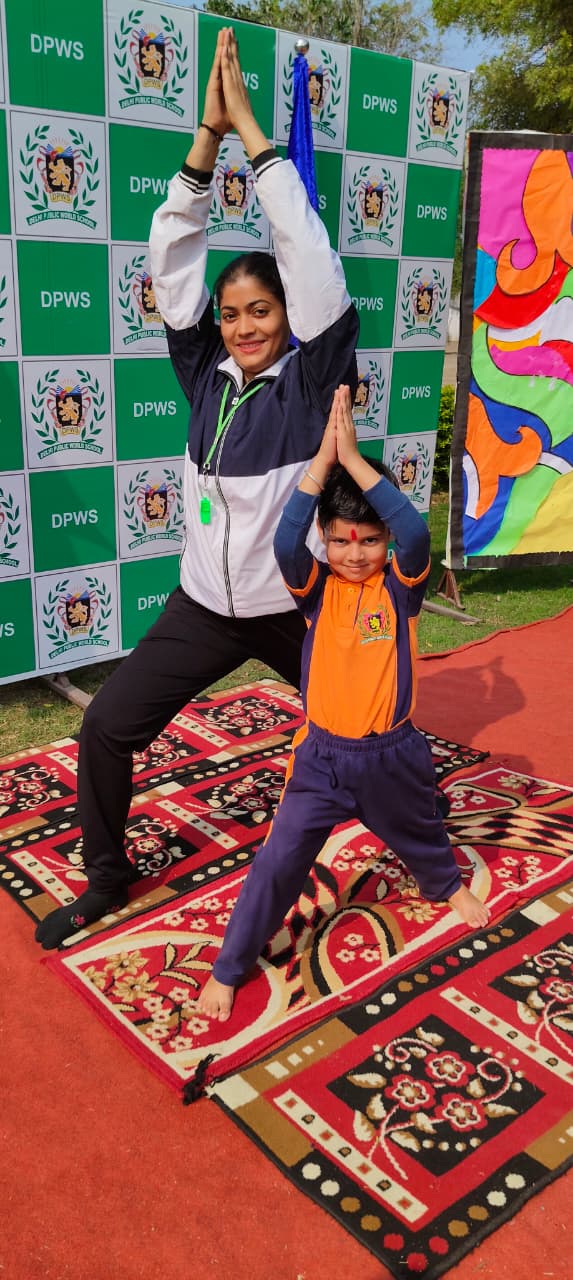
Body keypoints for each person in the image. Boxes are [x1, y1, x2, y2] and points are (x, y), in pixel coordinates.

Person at [35, 28, 359, 950]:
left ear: (289, 316)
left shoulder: (313, 375)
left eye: (261, 311)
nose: (244, 326)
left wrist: (252, 132)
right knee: (106, 726)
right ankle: (108, 878)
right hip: (205, 608)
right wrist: (204, 141)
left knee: (369, 721)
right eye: (231, 314)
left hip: (297, 605)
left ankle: (413, 813)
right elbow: (170, 262)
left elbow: (308, 255)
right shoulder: (203, 371)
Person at [198, 385, 490, 1020]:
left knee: (420, 829)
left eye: (368, 541)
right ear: (326, 542)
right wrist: (322, 464)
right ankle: (230, 966)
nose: (355, 555)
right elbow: (285, 542)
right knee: (277, 861)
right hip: (320, 761)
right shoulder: (315, 589)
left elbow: (415, 533)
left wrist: (355, 460)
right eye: (340, 541)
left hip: (392, 754)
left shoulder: (401, 588)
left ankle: (447, 887)